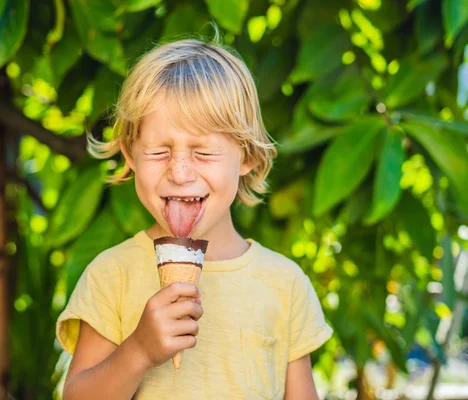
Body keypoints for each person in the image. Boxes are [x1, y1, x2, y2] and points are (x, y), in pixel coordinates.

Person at [55, 33, 333, 400]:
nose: (181, 172)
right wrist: (138, 350)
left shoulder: (284, 284)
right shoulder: (112, 275)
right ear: (129, 155)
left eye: (203, 153)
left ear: (247, 157)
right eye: (158, 152)